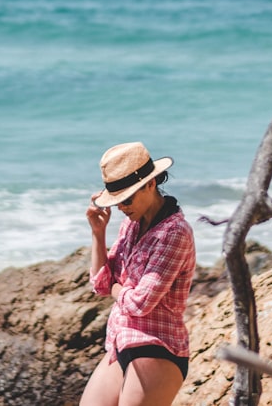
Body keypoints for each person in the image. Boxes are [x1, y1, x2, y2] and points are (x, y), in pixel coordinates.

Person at [80, 142, 196, 406]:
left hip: (158, 346)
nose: (122, 207)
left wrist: (115, 287)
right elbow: (99, 284)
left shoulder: (175, 232)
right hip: (120, 341)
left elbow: (140, 303)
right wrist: (98, 234)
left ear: (150, 184)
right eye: (118, 200)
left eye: (127, 198)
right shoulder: (129, 226)